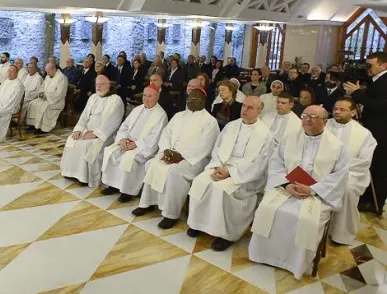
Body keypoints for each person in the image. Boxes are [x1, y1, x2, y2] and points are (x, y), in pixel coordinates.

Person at [249, 105, 349, 280]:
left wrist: (312, 189)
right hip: (287, 188)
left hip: (317, 194)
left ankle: (295, 263)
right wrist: (286, 184)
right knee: (267, 208)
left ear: (324, 122)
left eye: (313, 117)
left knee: (305, 219)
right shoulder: (289, 138)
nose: (308, 119)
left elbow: (339, 176)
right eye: (305, 115)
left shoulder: (337, 146)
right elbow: (276, 163)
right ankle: (265, 255)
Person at [186, 96, 274, 251]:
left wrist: (230, 173)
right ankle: (198, 224)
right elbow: (217, 148)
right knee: (200, 181)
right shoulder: (231, 126)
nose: (244, 110)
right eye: (244, 106)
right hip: (220, 166)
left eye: (250, 108)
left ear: (259, 112)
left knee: (220, 190)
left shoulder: (266, 135)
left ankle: (225, 234)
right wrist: (217, 166)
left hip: (243, 176)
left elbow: (260, 165)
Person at [134, 89, 219, 229]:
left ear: (203, 101)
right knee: (153, 164)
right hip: (171, 154)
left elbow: (205, 146)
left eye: (194, 99)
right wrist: (166, 150)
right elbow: (166, 134)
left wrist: (181, 156)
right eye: (189, 98)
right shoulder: (179, 115)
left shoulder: (210, 122)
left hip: (194, 160)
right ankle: (147, 203)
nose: (190, 101)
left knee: (174, 172)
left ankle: (170, 214)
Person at [101, 86, 168, 202]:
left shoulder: (161, 115)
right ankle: (113, 185)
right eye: (144, 96)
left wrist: (135, 144)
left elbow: (154, 138)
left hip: (142, 147)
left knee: (129, 158)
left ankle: (127, 191)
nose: (146, 99)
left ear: (157, 97)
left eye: (150, 96)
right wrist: (122, 139)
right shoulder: (137, 109)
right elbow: (125, 126)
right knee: (111, 152)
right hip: (127, 141)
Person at [327, 97, 377, 244]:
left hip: (350, 174)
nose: (337, 112)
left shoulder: (364, 134)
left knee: (347, 189)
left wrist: (339, 171)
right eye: (335, 108)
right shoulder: (324, 125)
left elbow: (364, 161)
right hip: (322, 171)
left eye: (342, 110)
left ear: (353, 112)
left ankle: (340, 234)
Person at [60, 75, 125, 187]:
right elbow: (84, 116)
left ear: (109, 85)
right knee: (71, 140)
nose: (98, 86)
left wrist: (96, 134)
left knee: (87, 146)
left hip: (104, 134)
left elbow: (113, 122)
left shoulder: (116, 100)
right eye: (97, 84)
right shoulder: (93, 97)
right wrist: (78, 129)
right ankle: (70, 172)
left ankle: (84, 177)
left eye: (102, 84)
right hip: (87, 130)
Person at [343, 51, 387, 214]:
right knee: (370, 164)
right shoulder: (376, 80)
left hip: (382, 132)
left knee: (379, 168)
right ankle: (367, 198)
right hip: (372, 128)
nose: (367, 68)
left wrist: (358, 93)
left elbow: (381, 105)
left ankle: (376, 203)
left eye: (371, 65)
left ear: (384, 65)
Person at [26, 63, 68, 134]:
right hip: (45, 98)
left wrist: (47, 96)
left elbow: (60, 93)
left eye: (48, 71)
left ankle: (43, 128)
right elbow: (42, 87)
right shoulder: (48, 76)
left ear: (54, 69)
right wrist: (41, 93)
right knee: (32, 104)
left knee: (43, 107)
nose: (47, 73)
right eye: (46, 71)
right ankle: (33, 125)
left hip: (56, 101)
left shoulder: (62, 78)